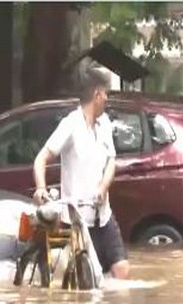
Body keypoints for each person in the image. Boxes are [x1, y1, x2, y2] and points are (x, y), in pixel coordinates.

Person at [32, 65, 130, 279]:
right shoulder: (71, 125)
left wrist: (103, 187)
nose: (107, 99)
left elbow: (111, 161)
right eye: (106, 93)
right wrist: (41, 188)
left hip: (104, 217)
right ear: (97, 94)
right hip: (77, 222)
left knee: (121, 270)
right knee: (86, 284)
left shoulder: (104, 124)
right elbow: (41, 158)